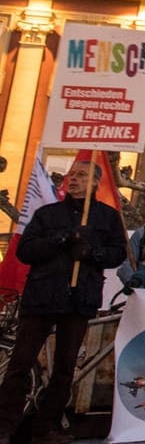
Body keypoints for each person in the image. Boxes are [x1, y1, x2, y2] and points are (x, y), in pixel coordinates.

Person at [0, 160, 126, 444]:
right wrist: (61, 239)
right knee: (21, 363)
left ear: (95, 182)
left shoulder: (107, 217)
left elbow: (117, 254)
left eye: (82, 175)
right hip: (42, 298)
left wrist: (92, 253)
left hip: (78, 300)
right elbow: (26, 250)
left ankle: (45, 428)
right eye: (72, 175)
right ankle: (4, 425)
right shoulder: (47, 214)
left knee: (65, 367)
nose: (74, 179)